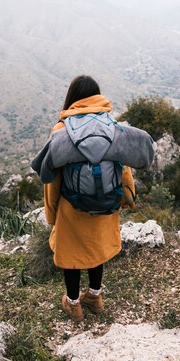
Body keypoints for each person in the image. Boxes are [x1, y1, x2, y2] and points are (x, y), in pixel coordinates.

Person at [44, 75, 135, 322]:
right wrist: (126, 198)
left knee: (71, 254)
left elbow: (53, 179)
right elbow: (123, 167)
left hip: (72, 205)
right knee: (96, 248)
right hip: (106, 201)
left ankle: (73, 304)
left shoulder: (61, 131)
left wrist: (51, 213)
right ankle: (95, 296)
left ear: (72, 98)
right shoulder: (111, 126)